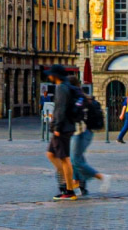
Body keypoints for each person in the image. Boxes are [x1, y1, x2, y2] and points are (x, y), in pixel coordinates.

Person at [46, 67, 79, 200]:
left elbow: (60, 109)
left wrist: (57, 128)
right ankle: (69, 182)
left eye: (50, 75)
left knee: (64, 159)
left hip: (62, 128)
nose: (49, 77)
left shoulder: (61, 88)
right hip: (66, 126)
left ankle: (69, 188)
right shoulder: (66, 86)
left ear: (55, 75)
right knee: (51, 154)